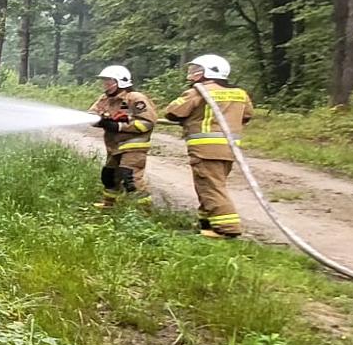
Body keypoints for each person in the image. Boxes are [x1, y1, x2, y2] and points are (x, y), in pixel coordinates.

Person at [162, 54, 253, 238]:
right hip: (229, 149)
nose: (192, 75)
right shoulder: (240, 93)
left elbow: (173, 112)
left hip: (205, 149)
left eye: (197, 71)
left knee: (211, 188)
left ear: (209, 72)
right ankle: (207, 223)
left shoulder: (199, 91)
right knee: (212, 185)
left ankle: (228, 229)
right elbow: (247, 115)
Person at [88, 65, 159, 208]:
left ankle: (145, 211)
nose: (105, 85)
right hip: (114, 146)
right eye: (104, 82)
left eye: (108, 82)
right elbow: (91, 114)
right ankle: (108, 205)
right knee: (109, 175)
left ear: (121, 82)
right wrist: (100, 120)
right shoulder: (105, 99)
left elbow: (147, 122)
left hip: (134, 146)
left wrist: (120, 126)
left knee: (130, 177)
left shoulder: (136, 98)